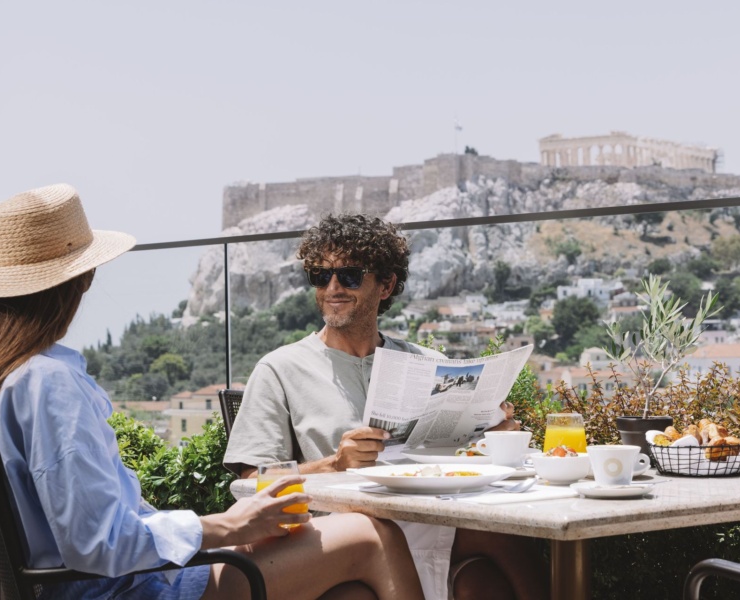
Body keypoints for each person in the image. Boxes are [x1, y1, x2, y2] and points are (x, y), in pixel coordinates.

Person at [0, 184, 425, 600]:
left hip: (115, 581)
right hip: (136, 590)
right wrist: (229, 525)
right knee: (372, 536)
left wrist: (228, 528)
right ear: (79, 281)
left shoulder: (0, 378)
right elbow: (99, 544)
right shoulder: (48, 384)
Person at [223, 213, 549, 600]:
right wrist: (333, 464)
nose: (332, 287)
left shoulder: (426, 362)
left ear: (386, 284)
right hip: (344, 527)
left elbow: (463, 451)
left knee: (498, 540)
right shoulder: (280, 368)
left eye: (349, 275)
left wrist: (493, 433)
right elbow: (249, 481)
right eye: (320, 276)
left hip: (431, 514)